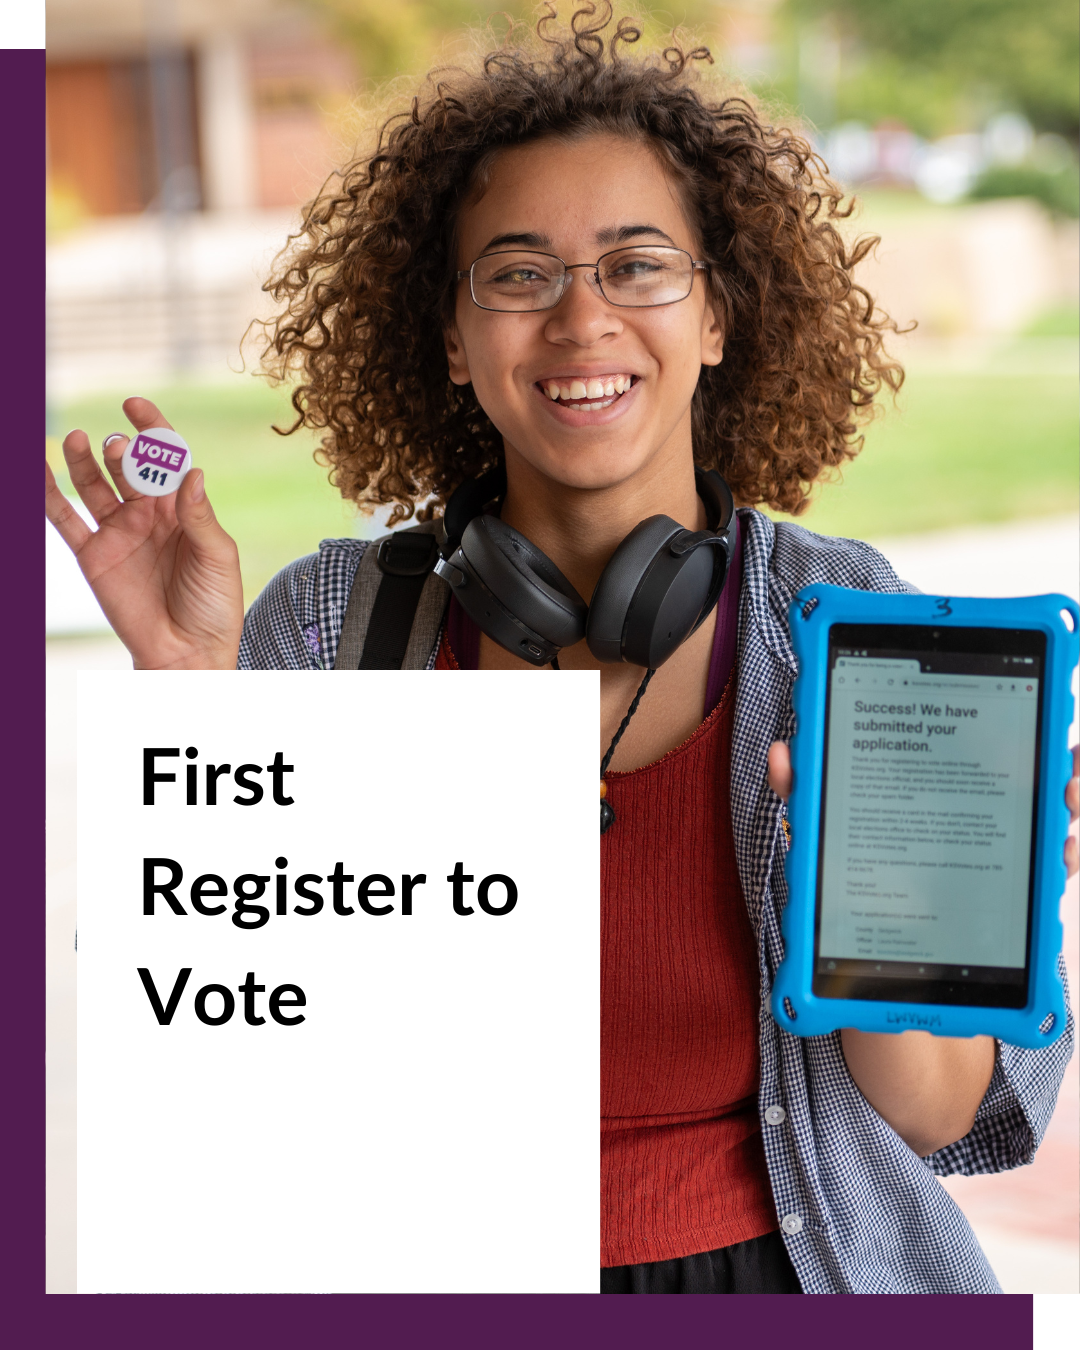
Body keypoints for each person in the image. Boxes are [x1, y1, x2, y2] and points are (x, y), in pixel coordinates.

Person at [46, 4, 1076, 1295]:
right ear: (454, 336)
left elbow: (936, 1115)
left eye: (639, 265)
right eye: (520, 273)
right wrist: (195, 701)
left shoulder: (852, 634)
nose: (582, 319)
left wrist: (892, 912)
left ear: (716, 317)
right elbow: (217, 1047)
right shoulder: (332, 631)